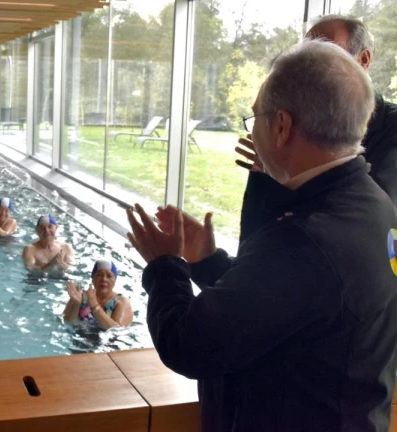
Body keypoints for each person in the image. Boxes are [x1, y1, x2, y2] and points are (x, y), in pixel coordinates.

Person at [128, 41, 397, 431]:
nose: (252, 130)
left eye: (255, 117)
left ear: (281, 126)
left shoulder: (305, 238)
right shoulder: (373, 204)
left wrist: (163, 265)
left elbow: (189, 345)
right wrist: (209, 263)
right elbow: (294, 304)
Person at [236, 15, 397, 244]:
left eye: (326, 48)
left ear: (363, 59)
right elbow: (253, 247)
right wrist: (271, 163)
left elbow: (362, 217)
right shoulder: (294, 117)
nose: (307, 61)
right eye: (306, 49)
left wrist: (284, 168)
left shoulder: (391, 128)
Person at [62, 260, 132, 329]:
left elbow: (118, 331)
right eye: (100, 275)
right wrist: (76, 304)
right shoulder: (80, 296)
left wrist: (96, 307)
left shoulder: (122, 302)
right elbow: (66, 323)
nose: (104, 279)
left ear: (114, 281)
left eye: (109, 276)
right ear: (93, 279)